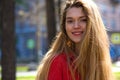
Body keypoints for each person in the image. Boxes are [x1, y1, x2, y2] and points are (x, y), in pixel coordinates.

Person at [36, 0, 114, 80]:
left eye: (83, 20)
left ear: (94, 24)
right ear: (64, 27)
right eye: (70, 21)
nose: (76, 26)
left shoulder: (100, 62)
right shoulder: (58, 62)